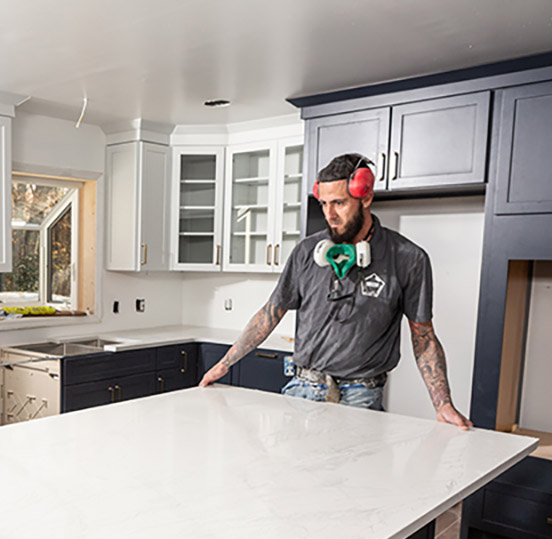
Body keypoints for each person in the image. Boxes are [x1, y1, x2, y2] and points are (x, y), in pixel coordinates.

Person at [199, 152, 471, 429]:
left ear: (365, 198)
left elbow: (423, 337)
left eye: (339, 203)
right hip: (301, 391)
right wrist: (225, 363)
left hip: (361, 398)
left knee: (354, 472)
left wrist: (443, 404)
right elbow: (271, 312)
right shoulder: (306, 252)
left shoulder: (408, 258)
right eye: (324, 203)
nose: (329, 214)